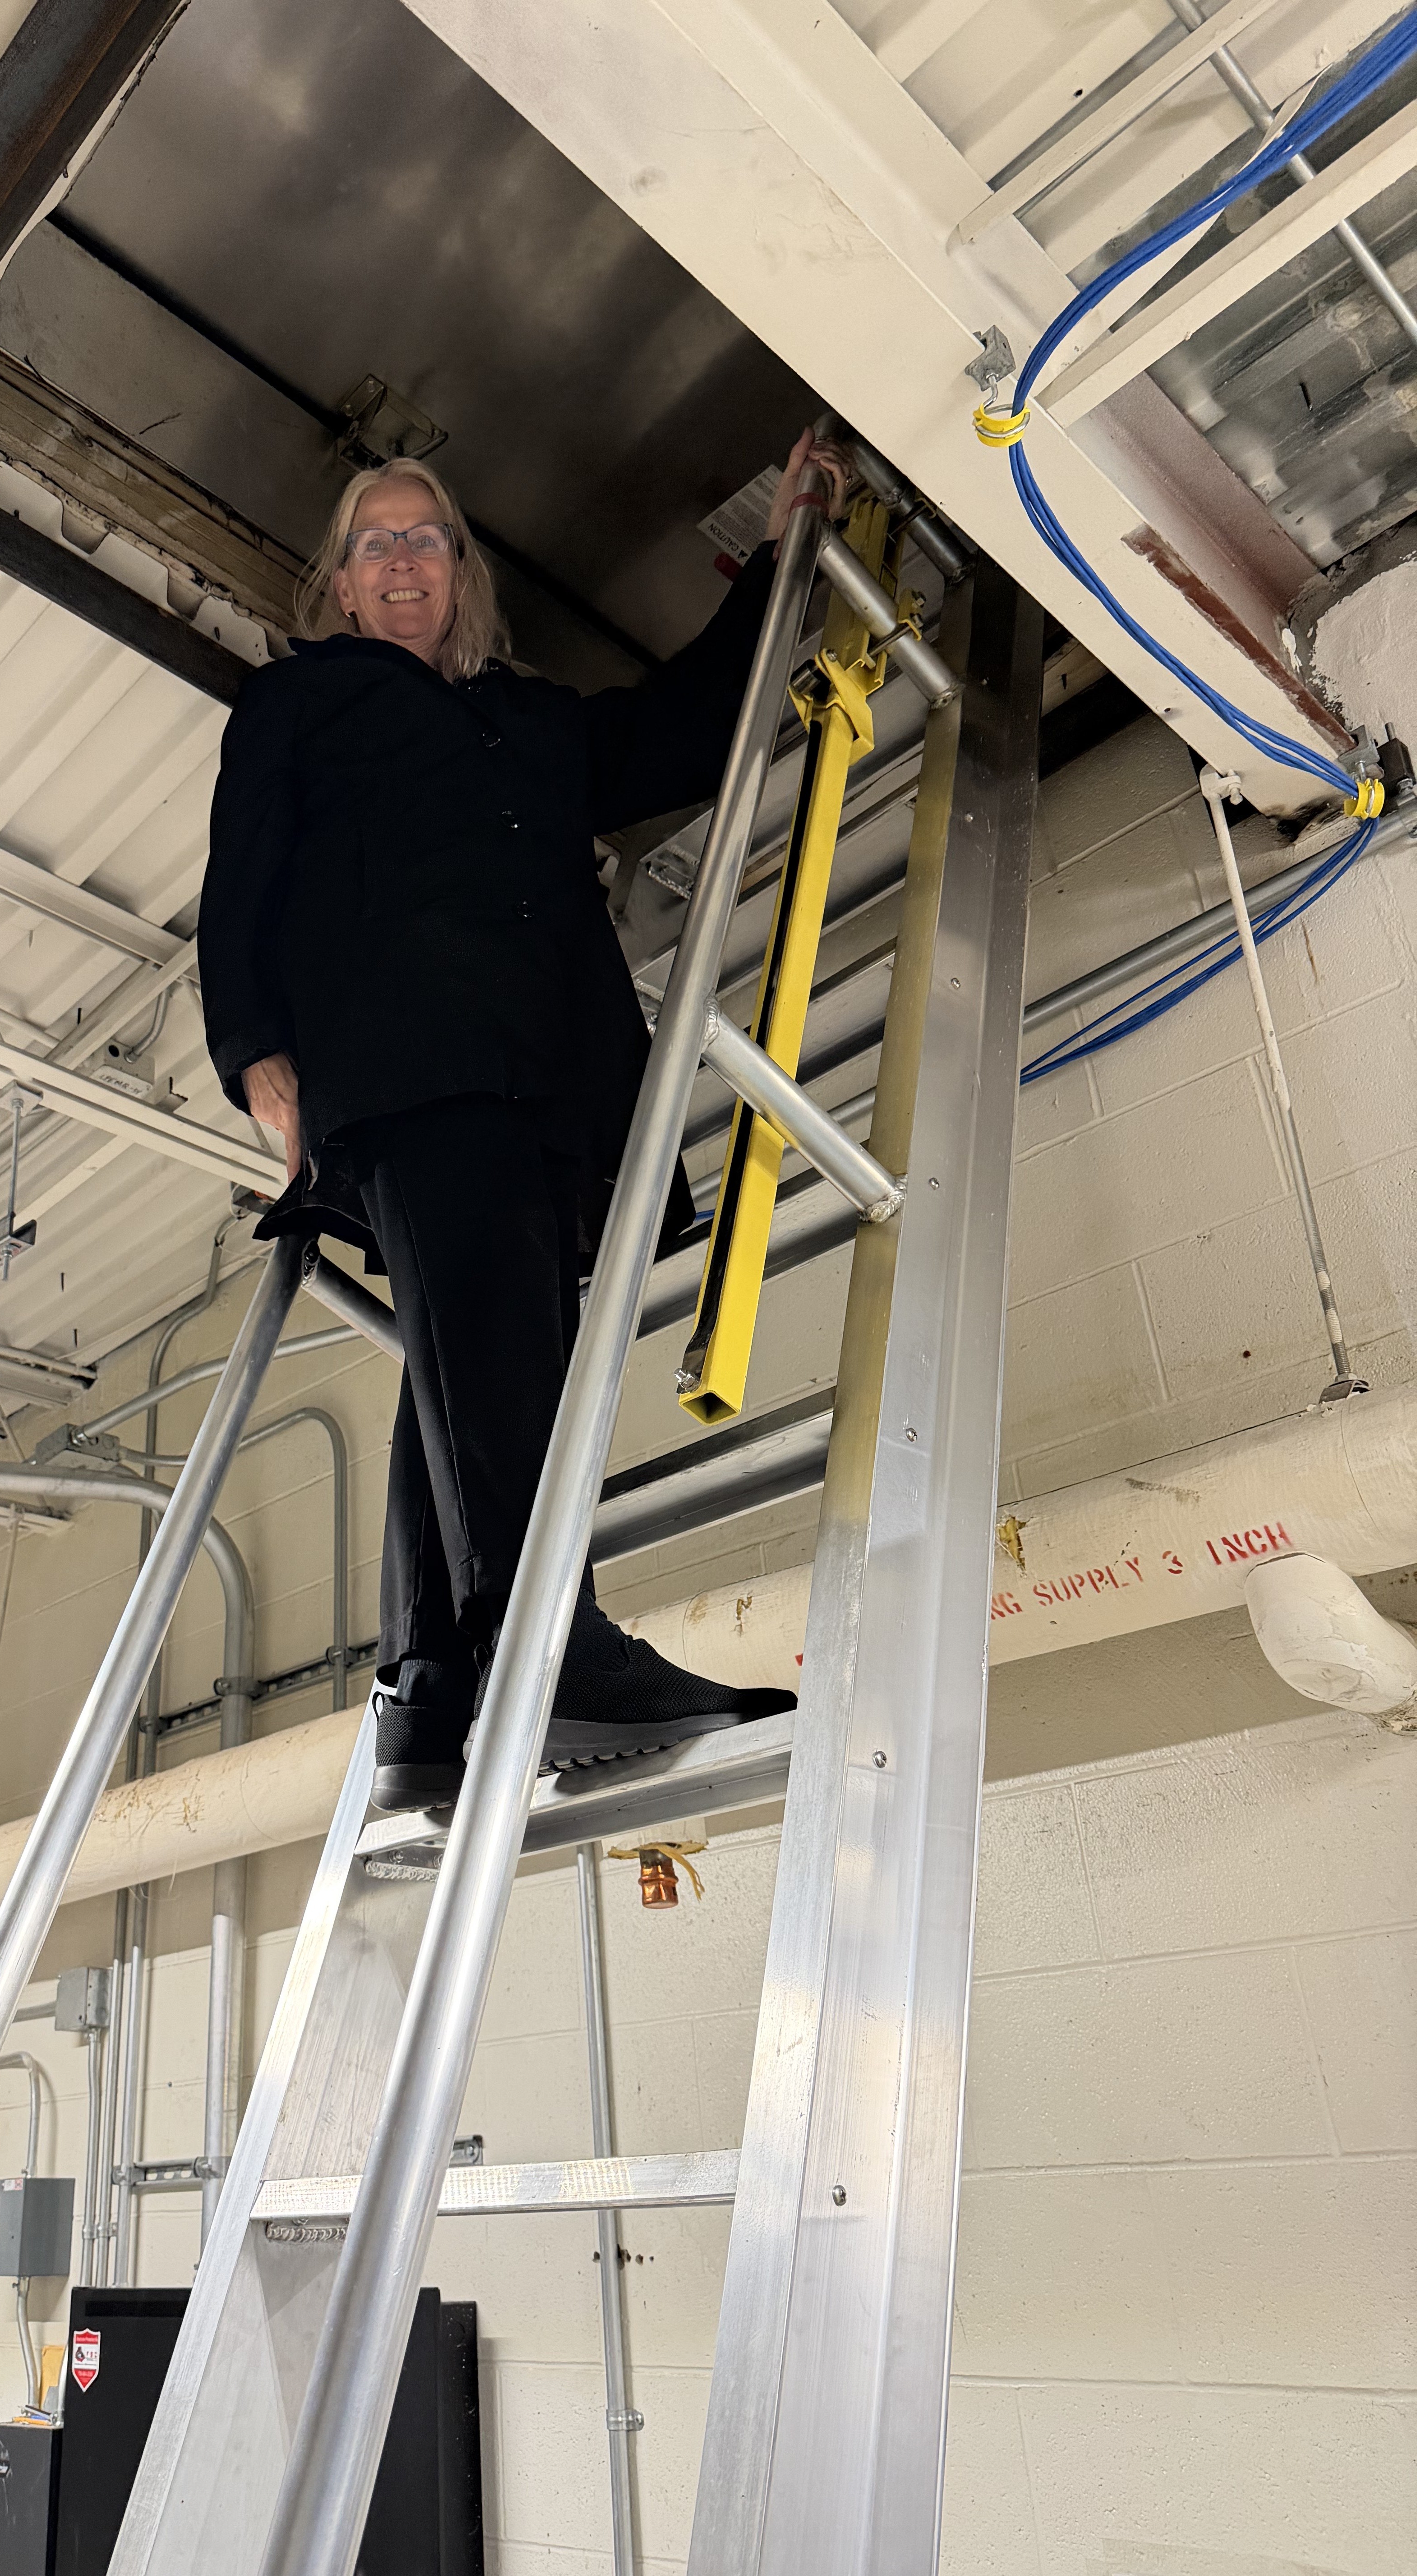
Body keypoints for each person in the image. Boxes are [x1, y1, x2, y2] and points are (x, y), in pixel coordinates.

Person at [199, 430, 847, 1809]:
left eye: (422, 535)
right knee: (498, 1362)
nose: (400, 557)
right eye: (373, 541)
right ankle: (550, 1653)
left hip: (549, 1083)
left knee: (472, 1366)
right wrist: (254, 1049)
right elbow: (241, 874)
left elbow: (681, 724)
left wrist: (783, 551)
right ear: (341, 583)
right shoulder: (301, 705)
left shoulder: (536, 725)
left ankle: (430, 1702)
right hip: (412, 1063)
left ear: (460, 573)